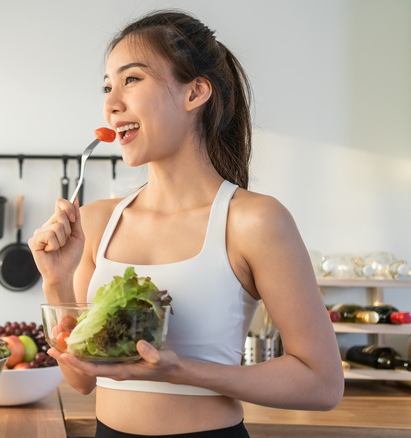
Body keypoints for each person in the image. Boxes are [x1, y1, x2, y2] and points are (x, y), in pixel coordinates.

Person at [28, 9, 344, 438]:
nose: (111, 102)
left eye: (132, 79)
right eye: (107, 85)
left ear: (195, 93)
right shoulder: (99, 220)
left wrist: (184, 372)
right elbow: (83, 380)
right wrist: (56, 284)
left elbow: (322, 383)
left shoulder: (253, 220)